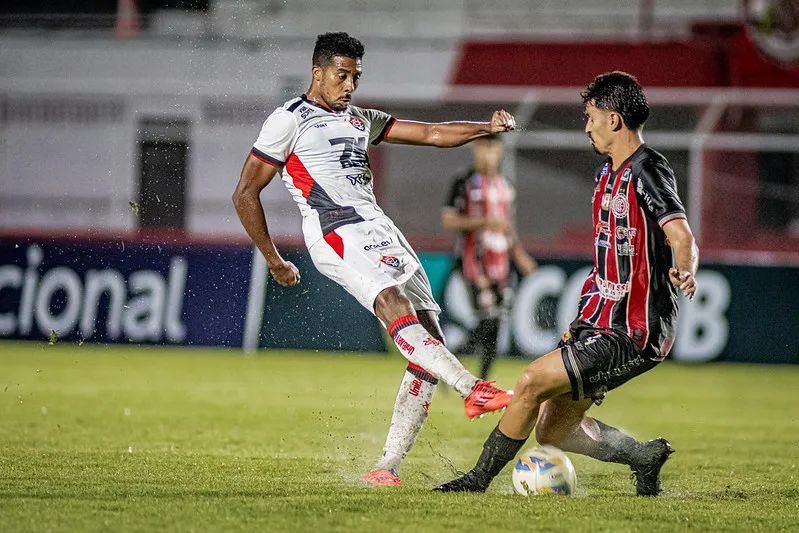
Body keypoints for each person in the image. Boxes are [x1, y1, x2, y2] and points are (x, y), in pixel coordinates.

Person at [232, 32, 517, 488]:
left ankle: (387, 466)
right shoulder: (289, 119)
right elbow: (245, 192)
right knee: (390, 300)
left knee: (429, 338)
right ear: (318, 72)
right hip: (334, 228)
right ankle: (472, 389)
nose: (350, 86)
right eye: (342, 75)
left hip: (380, 227)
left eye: (356, 77)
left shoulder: (362, 117)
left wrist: (486, 127)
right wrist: (272, 258)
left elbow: (431, 133)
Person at [434, 71, 699, 496]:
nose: (587, 125)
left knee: (530, 382)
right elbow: (607, 258)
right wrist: (579, 323)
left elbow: (682, 236)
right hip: (597, 322)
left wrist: (685, 269)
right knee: (554, 431)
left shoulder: (649, 169)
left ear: (614, 120)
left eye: (591, 116)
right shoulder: (605, 175)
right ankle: (642, 456)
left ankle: (475, 482)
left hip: (633, 331)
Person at [441, 134, 537, 380]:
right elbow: (448, 220)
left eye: (492, 149)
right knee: (488, 318)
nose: (487, 154)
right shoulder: (463, 183)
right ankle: (458, 363)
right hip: (473, 262)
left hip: (501, 264)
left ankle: (478, 377)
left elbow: (507, 227)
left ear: (499, 152)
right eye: (483, 148)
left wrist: (520, 255)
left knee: (495, 324)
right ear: (475, 150)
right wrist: (483, 221)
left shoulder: (505, 185)